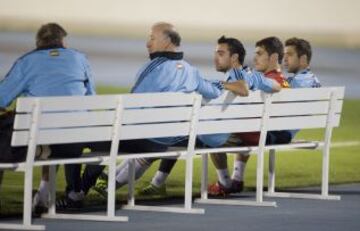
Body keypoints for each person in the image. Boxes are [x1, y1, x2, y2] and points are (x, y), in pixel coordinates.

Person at [62, 23, 249, 205]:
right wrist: (227, 84)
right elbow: (214, 92)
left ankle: (76, 193)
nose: (147, 43)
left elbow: (131, 106)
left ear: (168, 42)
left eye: (152, 38)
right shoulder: (191, 72)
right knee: (106, 139)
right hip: (164, 142)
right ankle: (81, 191)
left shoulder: (154, 66)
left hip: (144, 140)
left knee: (79, 138)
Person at [101, 36, 282, 197]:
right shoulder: (253, 75)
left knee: (156, 141)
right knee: (167, 133)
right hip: (221, 133)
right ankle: (115, 179)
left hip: (212, 136)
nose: (215, 57)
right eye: (215, 53)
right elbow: (276, 86)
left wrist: (222, 84)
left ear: (234, 58)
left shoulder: (236, 75)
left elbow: (242, 89)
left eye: (220, 53)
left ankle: (111, 186)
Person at [207, 37, 321, 196]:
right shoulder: (292, 81)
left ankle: (225, 183)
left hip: (268, 133)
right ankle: (237, 178)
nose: (255, 58)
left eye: (259, 54)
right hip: (277, 131)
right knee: (242, 123)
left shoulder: (269, 81)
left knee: (212, 134)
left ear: (273, 57)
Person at [0, 23, 96, 213]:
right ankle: (43, 195)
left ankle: (42, 185)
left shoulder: (27, 62)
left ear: (38, 42)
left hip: (40, 140)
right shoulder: (80, 59)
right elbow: (90, 98)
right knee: (55, 126)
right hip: (74, 142)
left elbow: (2, 99)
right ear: (62, 41)